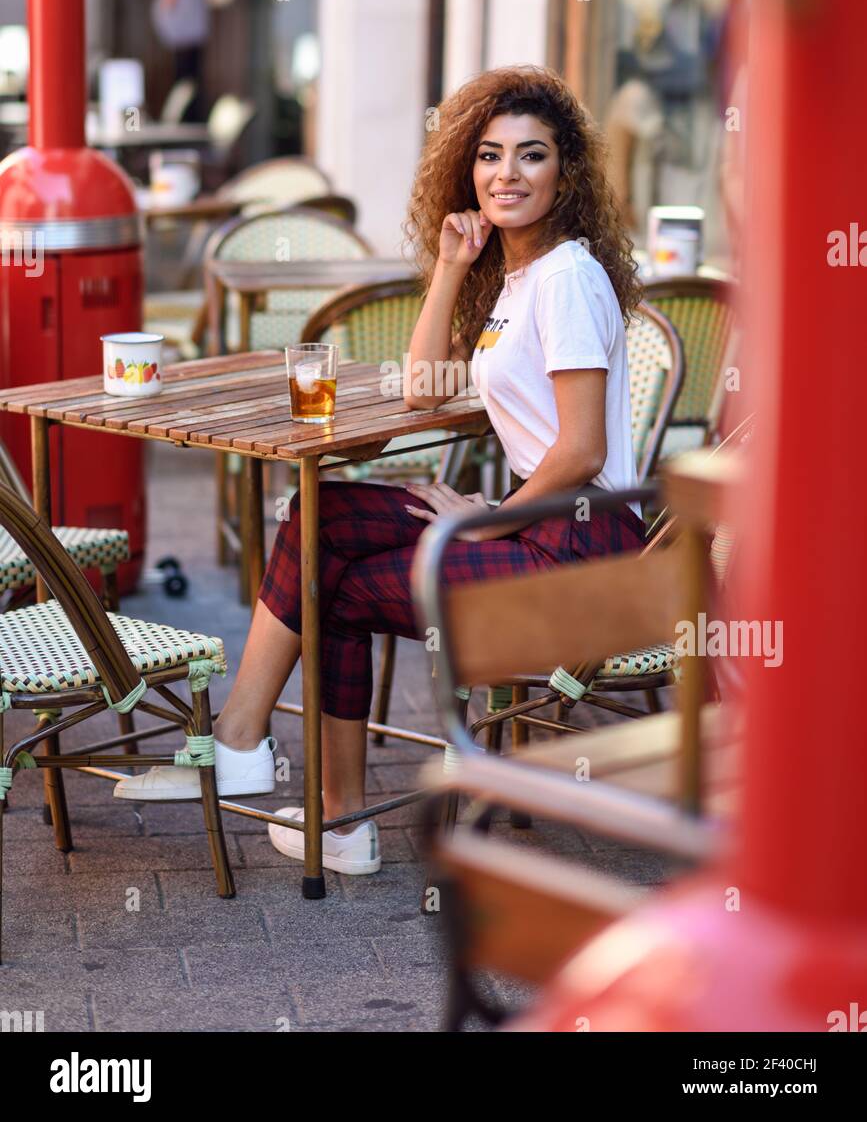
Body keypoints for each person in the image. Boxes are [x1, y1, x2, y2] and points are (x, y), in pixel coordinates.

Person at [114, 66, 647, 876]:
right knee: (319, 516)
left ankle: (292, 785)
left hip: (580, 558)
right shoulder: (518, 276)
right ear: (466, 170)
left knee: (333, 572)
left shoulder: (567, 277)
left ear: (565, 173)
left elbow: (580, 452)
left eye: (531, 157)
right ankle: (268, 766)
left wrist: (482, 517)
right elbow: (426, 391)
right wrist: (449, 266)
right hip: (544, 527)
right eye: (489, 156)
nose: (506, 174)